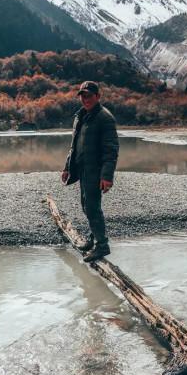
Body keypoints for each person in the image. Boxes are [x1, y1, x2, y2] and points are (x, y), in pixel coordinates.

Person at [61, 81, 119, 262]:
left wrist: (107, 176)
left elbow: (111, 150)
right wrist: (67, 167)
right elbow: (74, 146)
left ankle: (102, 246)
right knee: (86, 206)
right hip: (82, 169)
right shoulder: (80, 116)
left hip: (96, 171)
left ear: (97, 96)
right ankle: (94, 239)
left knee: (93, 208)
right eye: (82, 96)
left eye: (89, 96)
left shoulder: (104, 118)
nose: (85, 99)